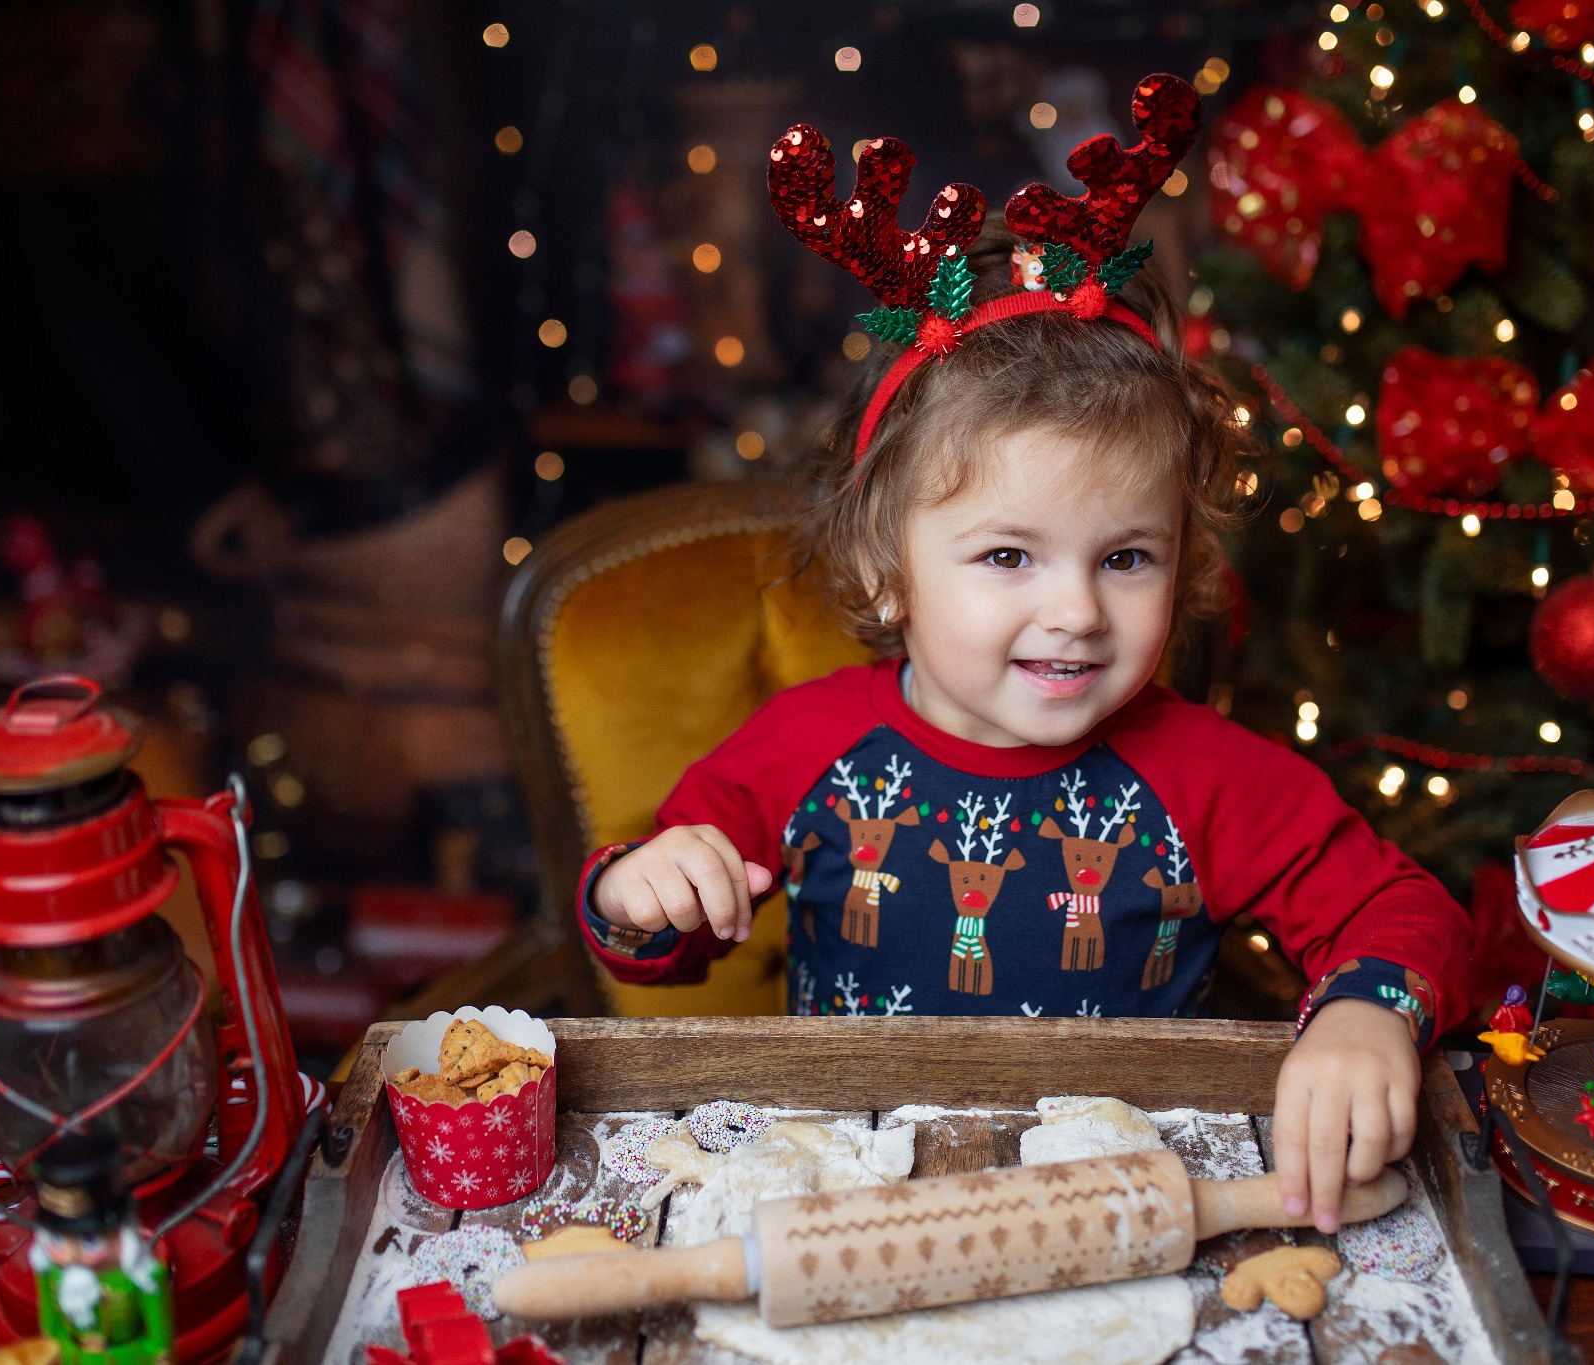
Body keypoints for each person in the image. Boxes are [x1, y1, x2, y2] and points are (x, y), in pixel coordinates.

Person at [580, 75, 1472, 1235]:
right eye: (1006, 557)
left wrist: (1367, 1010)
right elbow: (661, 938)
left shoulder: (1202, 774)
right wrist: (632, 890)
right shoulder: (803, 747)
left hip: (1116, 1208)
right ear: (882, 571)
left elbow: (1402, 910)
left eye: (1126, 559)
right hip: (844, 1194)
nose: (1077, 614)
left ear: (1184, 563)